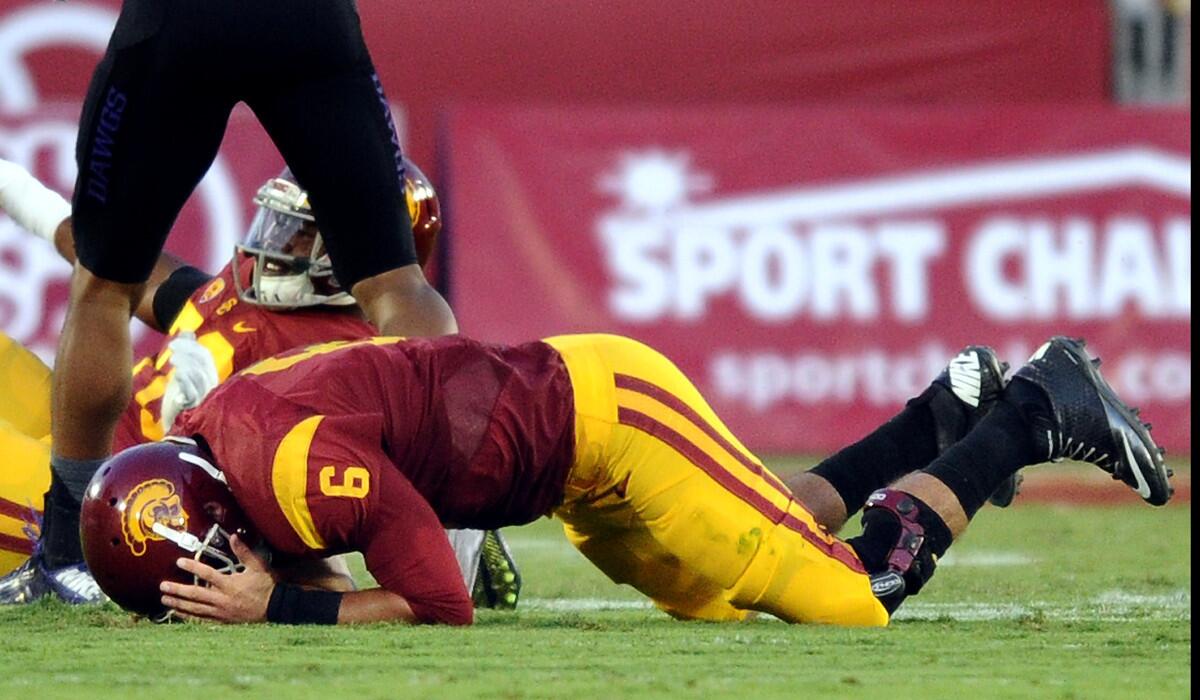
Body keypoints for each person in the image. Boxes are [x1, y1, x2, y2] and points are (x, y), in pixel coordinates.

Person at [81, 333, 1171, 625]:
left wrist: (281, 611)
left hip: (609, 420)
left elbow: (439, 603)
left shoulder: (294, 470)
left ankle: (1036, 407)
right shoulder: (215, 423)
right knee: (728, 582)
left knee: (847, 595)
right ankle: (940, 418)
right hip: (566, 469)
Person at [49, 0, 458, 606]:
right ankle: (459, 514)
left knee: (103, 284)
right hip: (308, 21)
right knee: (397, 284)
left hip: (181, 20)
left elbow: (105, 269)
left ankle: (66, 555)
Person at [0, 160, 519, 608]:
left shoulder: (346, 364)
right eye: (283, 222)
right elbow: (116, 267)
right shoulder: (254, 293)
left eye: (304, 231)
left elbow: (327, 522)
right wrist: (13, 187)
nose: (279, 242)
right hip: (79, 443)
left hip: (116, 509)